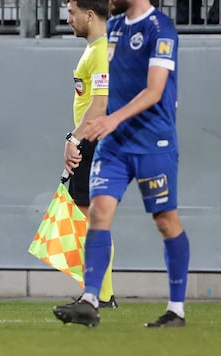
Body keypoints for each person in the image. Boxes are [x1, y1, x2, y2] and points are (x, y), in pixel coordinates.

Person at [53, 0, 189, 328]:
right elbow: (103, 90)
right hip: (114, 145)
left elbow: (154, 90)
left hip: (152, 142)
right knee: (97, 213)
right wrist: (83, 132)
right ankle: (90, 300)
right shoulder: (112, 30)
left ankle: (176, 308)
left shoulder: (161, 29)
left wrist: (112, 119)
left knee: (165, 220)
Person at [63, 0, 117, 309]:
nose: (68, 18)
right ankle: (100, 293)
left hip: (93, 142)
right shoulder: (95, 49)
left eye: (72, 12)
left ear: (90, 14)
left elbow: (99, 105)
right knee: (93, 220)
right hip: (89, 141)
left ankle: (100, 295)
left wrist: (74, 139)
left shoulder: (100, 52)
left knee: (91, 221)